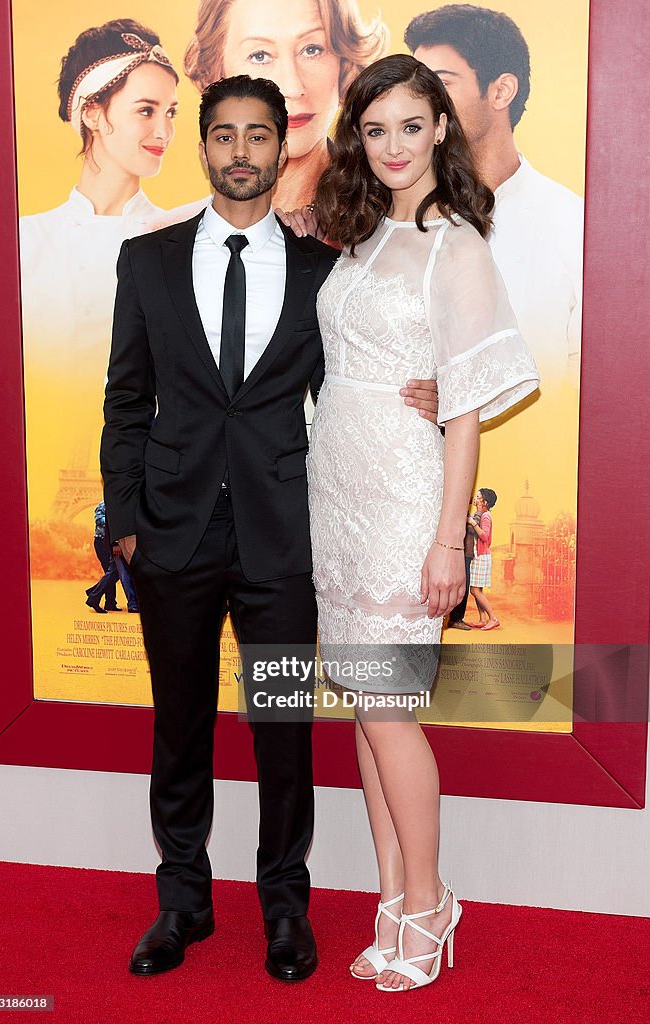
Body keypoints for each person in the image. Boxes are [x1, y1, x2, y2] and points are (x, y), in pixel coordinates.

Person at [100, 73, 439, 982]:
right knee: (180, 729)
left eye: (258, 136)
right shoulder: (149, 259)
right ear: (203, 145)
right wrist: (126, 522)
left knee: (281, 731)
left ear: (278, 148)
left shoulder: (324, 271)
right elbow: (126, 401)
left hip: (285, 541)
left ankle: (285, 911)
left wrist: (442, 397)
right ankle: (182, 904)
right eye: (224, 136)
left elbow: (360, 389)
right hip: (170, 537)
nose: (241, 152)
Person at [307, 54, 539, 990]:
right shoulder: (358, 238)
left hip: (407, 507)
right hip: (337, 498)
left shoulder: (457, 244)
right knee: (369, 716)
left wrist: (449, 539)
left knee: (390, 717)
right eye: (375, 130)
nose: (394, 145)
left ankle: (429, 902)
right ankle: (394, 895)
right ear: (357, 140)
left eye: (411, 125)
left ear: (441, 127)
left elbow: (471, 404)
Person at [19, 20, 179, 522]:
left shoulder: (182, 234)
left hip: (157, 480)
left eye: (171, 112)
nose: (164, 131)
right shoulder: (22, 242)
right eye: (146, 111)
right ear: (92, 111)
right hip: (37, 474)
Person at [404, 4, 584, 387]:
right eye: (417, 86)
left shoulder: (575, 226)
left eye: (441, 84)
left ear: (501, 90)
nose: (422, 102)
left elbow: (584, 387)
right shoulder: (394, 213)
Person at [162, 0, 387, 225]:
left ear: (344, 61)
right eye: (260, 56)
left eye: (312, 50)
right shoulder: (166, 238)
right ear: (216, 71)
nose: (292, 87)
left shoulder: (383, 217)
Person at [468, 487, 498, 629]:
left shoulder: (486, 516)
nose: (476, 498)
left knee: (474, 590)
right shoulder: (479, 514)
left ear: (484, 502)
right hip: (478, 555)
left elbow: (485, 537)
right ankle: (482, 619)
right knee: (477, 591)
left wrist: (472, 523)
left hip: (482, 556)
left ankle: (493, 618)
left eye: (478, 496)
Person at [446, 513, 478, 629]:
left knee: (462, 586)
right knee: (461, 586)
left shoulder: (469, 515)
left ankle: (456, 618)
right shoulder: (462, 514)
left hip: (465, 555)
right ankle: (455, 619)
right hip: (461, 554)